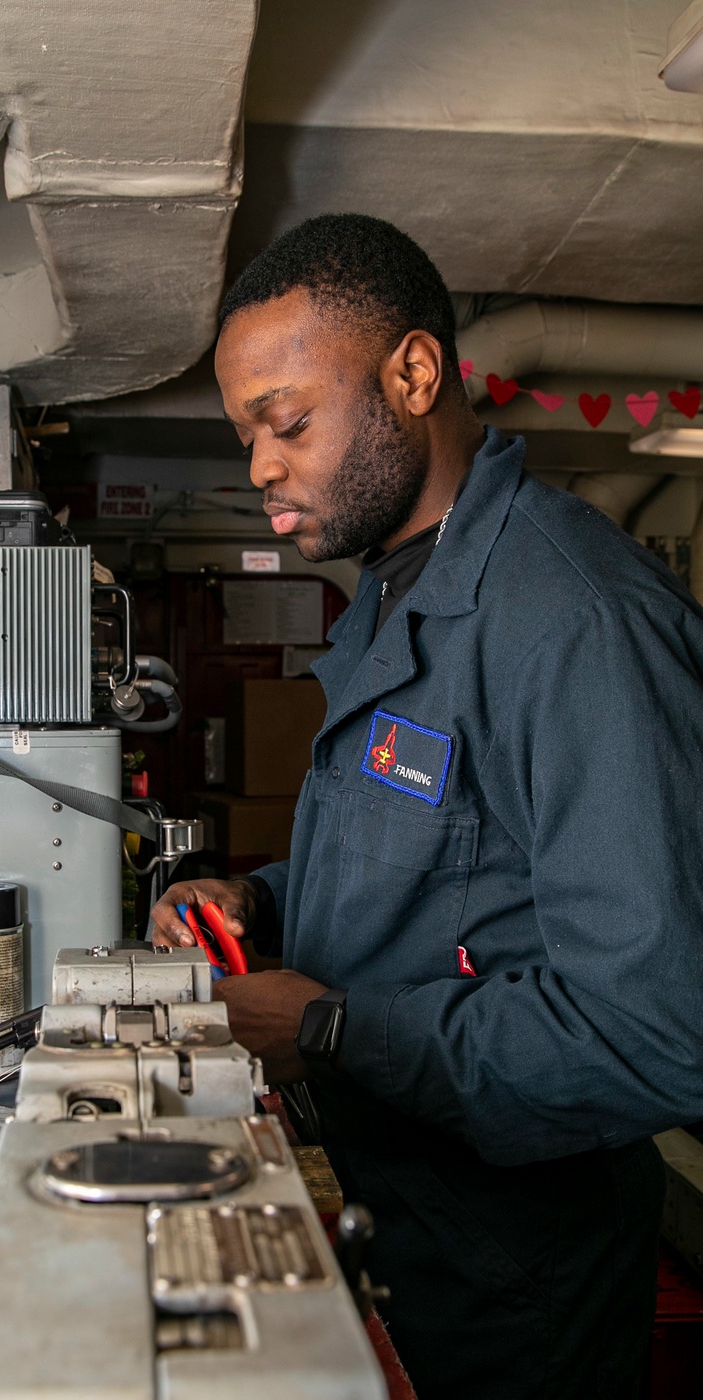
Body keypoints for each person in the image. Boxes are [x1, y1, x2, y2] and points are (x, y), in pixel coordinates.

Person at [149, 213, 703, 1399]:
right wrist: (255, 896)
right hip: (390, 1209)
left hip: (511, 1277)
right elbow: (437, 865)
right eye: (246, 433)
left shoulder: (573, 623)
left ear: (410, 374)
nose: (257, 467)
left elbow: (659, 1030)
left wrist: (337, 1029)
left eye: (286, 422)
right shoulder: (396, 597)